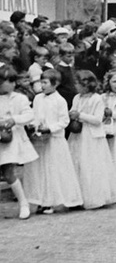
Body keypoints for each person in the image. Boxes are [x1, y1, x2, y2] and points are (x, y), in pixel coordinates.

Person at [24, 69, 83, 214]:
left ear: (55, 84)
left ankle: (55, 200)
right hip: (40, 140)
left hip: (54, 141)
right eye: (41, 82)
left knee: (54, 170)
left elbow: (64, 121)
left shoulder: (60, 100)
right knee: (40, 170)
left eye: (45, 83)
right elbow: (34, 115)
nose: (42, 86)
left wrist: (50, 128)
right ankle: (42, 201)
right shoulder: (38, 99)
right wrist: (33, 125)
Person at [67, 70, 116, 209]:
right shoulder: (77, 98)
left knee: (92, 165)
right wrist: (72, 115)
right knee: (77, 163)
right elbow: (73, 110)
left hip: (91, 137)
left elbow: (98, 120)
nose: (76, 86)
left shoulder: (97, 99)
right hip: (77, 135)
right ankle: (77, 197)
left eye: (78, 83)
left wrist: (80, 115)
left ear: (86, 84)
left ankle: (95, 197)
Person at [0, 65, 39, 219]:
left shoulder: (20, 98)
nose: (12, 84)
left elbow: (29, 115)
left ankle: (24, 203)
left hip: (12, 140)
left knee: (9, 172)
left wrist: (14, 120)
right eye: (7, 81)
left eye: (13, 81)